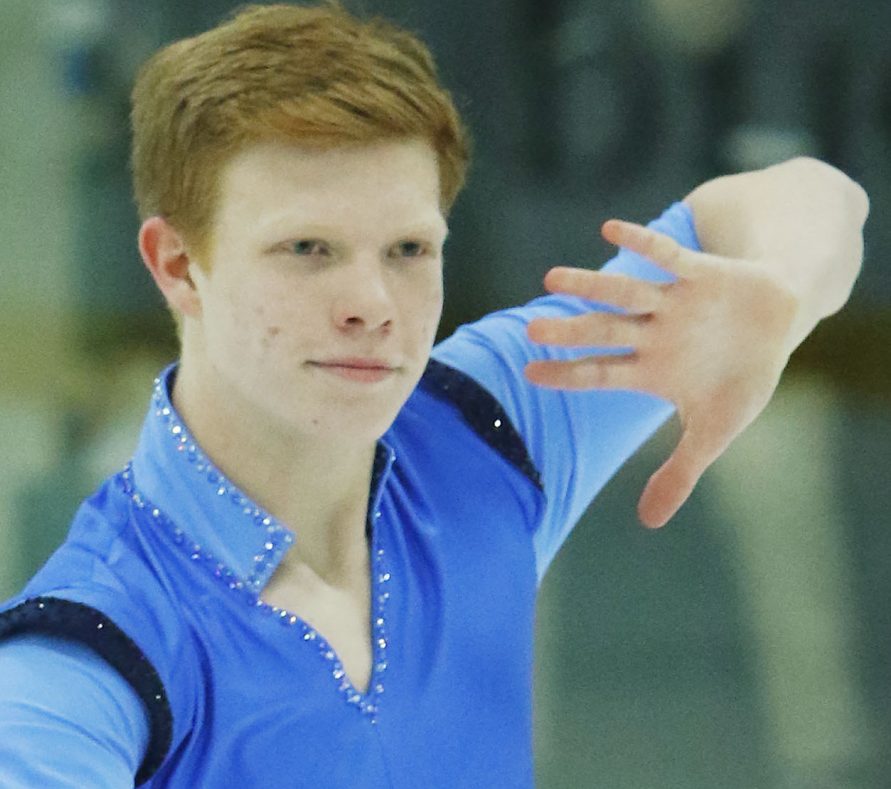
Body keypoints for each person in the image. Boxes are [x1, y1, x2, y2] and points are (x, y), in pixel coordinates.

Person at [0, 3, 868, 787]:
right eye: (307, 248)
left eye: (409, 250)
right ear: (179, 265)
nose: (373, 306)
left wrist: (773, 292)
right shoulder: (85, 661)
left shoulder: (486, 428)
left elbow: (812, 198)